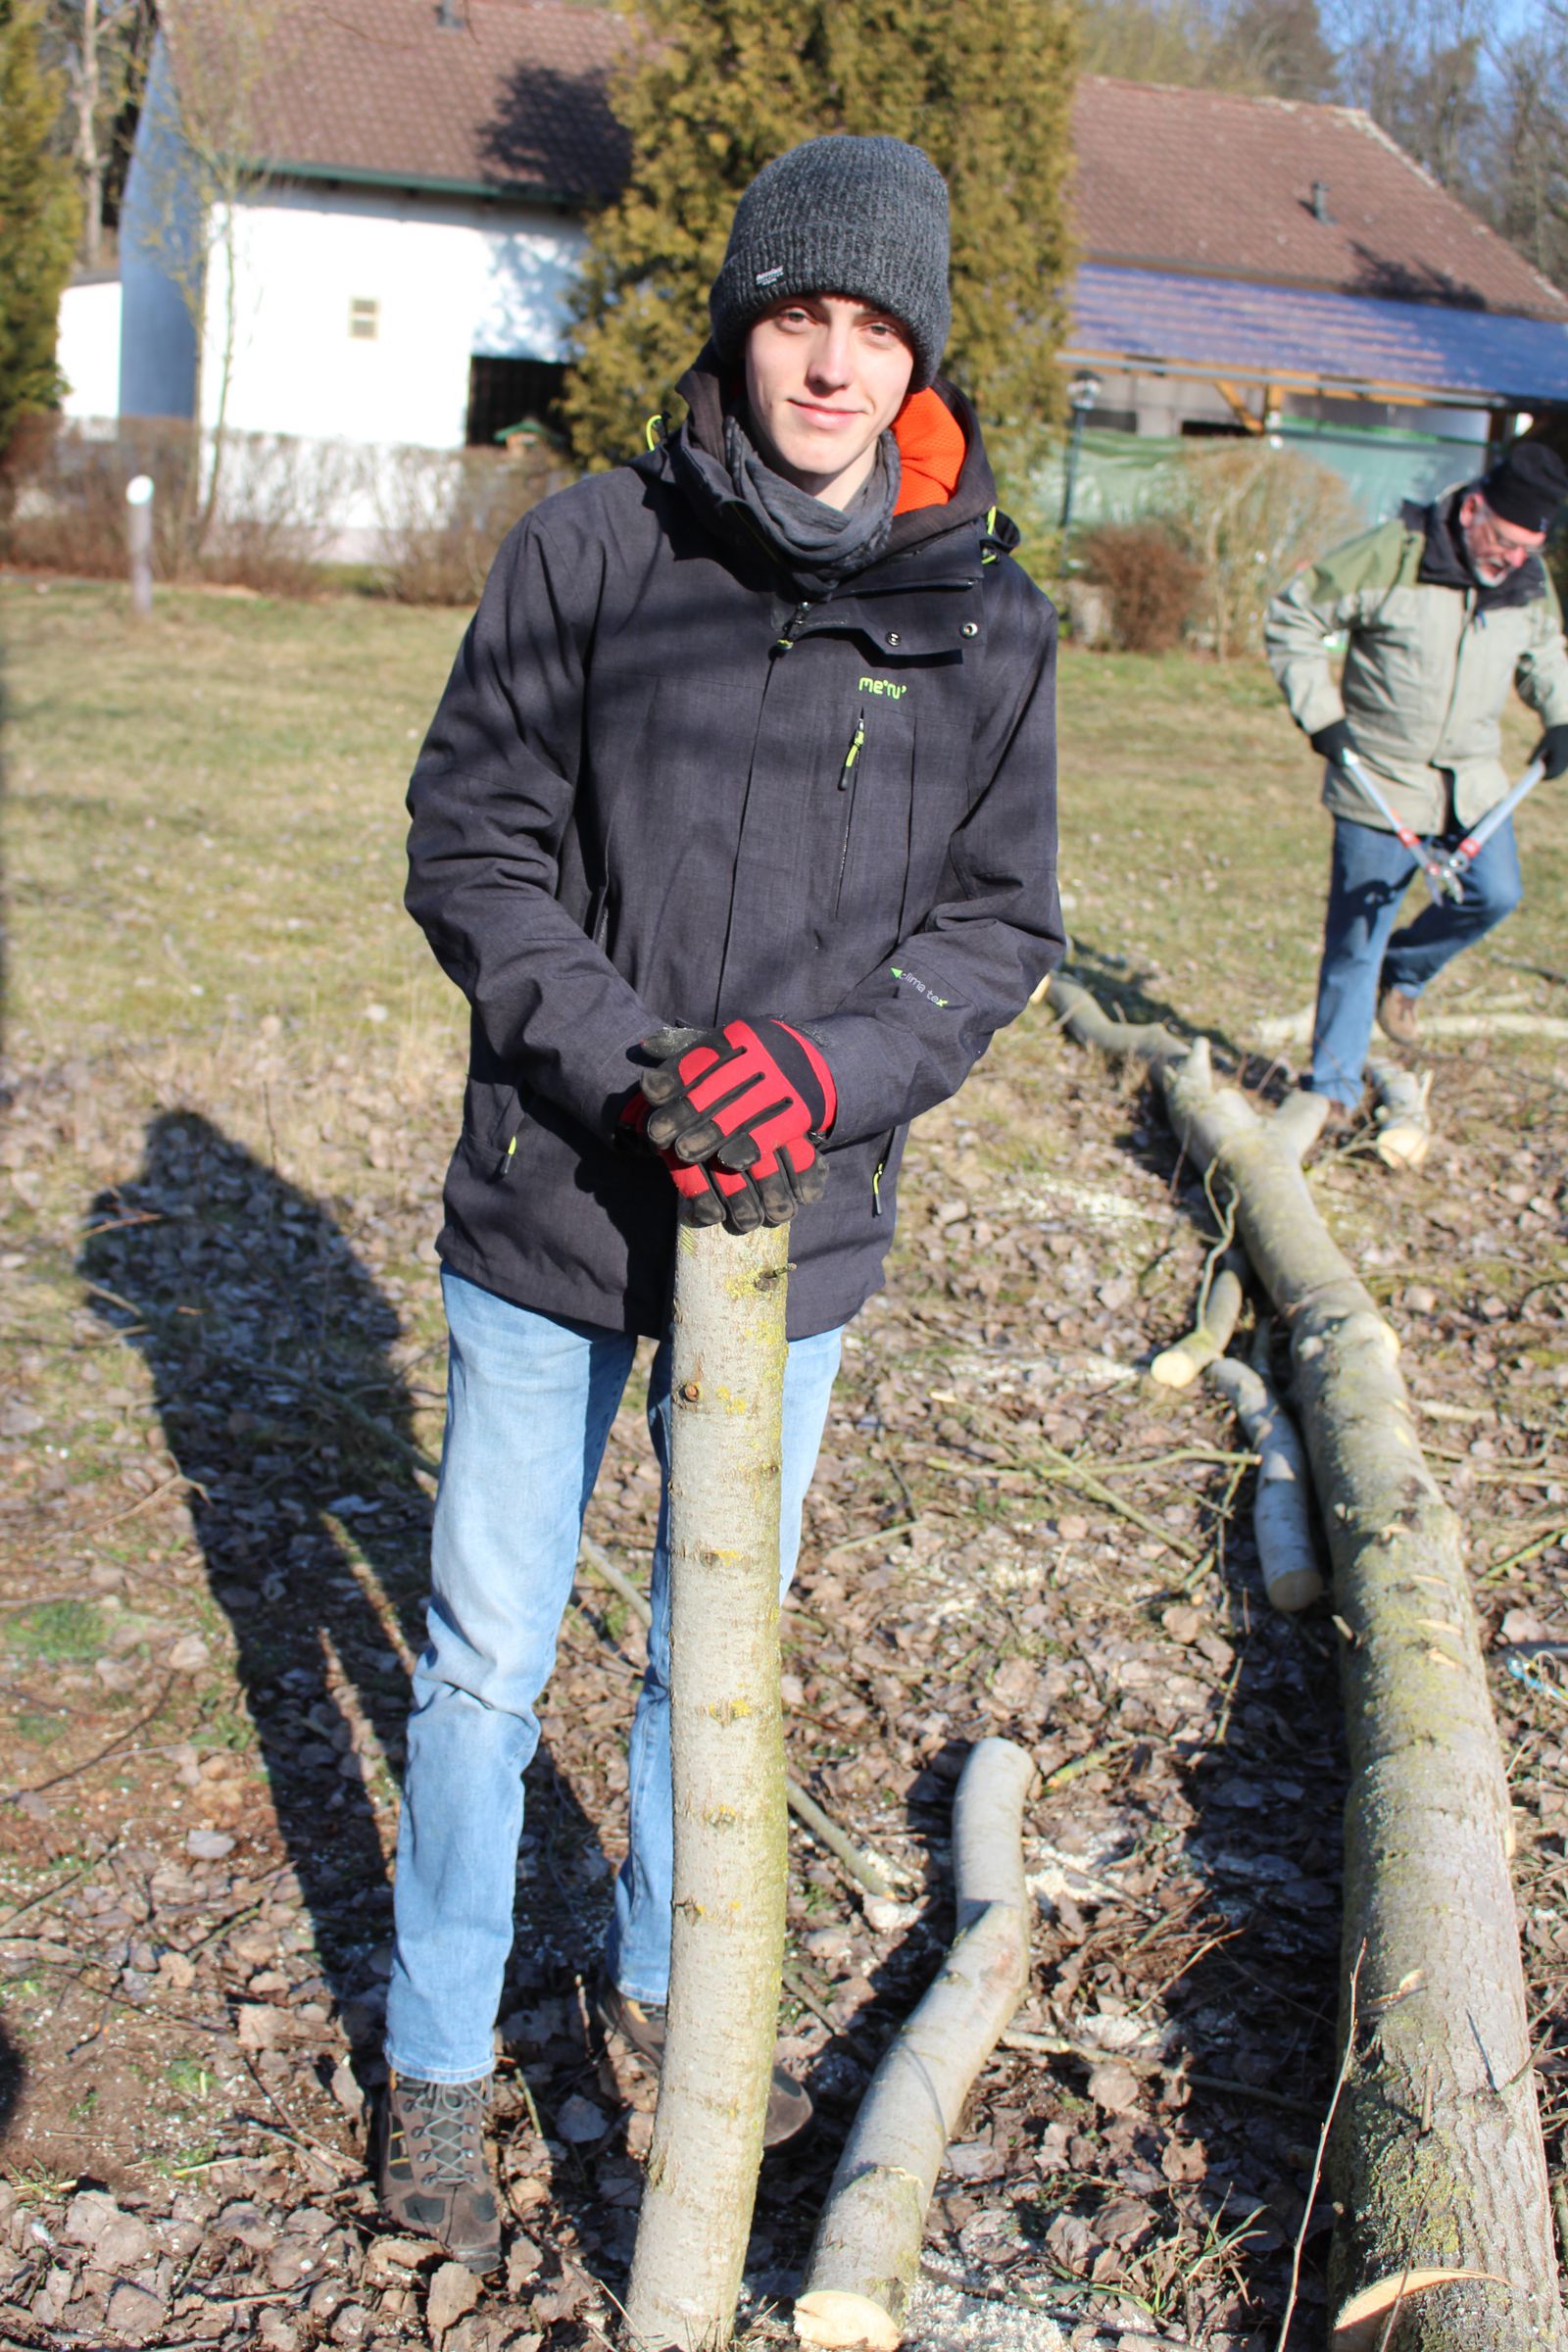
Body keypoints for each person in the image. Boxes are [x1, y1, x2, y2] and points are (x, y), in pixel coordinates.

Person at [376, 133, 1063, 2271]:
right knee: (488, 1662)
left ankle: (675, 2035)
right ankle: (435, 2074)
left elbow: (993, 927)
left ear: (915, 350)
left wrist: (825, 1076)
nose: (830, 361)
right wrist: (627, 1061)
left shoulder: (984, 615)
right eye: (797, 314)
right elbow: (470, 838)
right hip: (557, 1206)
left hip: (801, 1237)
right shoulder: (588, 549)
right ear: (741, 322)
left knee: (713, 1668)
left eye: (871, 326)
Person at [1264, 440, 1568, 1115]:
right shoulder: (1393, 553)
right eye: (1506, 543)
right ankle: (1332, 1092)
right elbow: (1294, 614)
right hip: (1381, 776)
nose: (1513, 561)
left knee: (1497, 894)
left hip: (1475, 781)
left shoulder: (1525, 577)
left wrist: (1560, 715)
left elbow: (1544, 650)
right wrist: (1322, 716)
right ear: (1473, 510)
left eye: (1528, 550)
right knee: (1355, 942)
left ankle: (1406, 971)